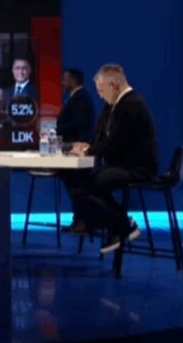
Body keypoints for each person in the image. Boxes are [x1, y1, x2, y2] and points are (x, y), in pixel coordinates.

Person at [62, 63, 158, 253]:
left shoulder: (131, 105)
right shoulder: (114, 104)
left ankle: (122, 225)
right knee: (80, 183)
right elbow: (101, 135)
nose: (99, 95)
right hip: (123, 165)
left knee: (85, 184)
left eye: (100, 90)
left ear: (113, 86)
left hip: (137, 168)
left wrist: (88, 152)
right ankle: (119, 225)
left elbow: (114, 142)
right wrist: (87, 146)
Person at [56, 68, 95, 143]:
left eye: (64, 80)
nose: (62, 83)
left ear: (72, 81)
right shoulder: (79, 96)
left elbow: (78, 124)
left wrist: (53, 129)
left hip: (75, 144)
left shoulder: (80, 98)